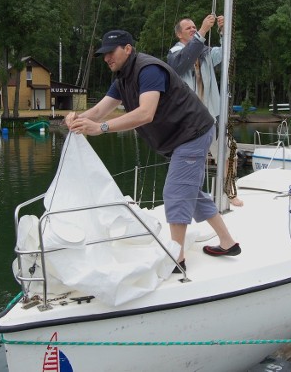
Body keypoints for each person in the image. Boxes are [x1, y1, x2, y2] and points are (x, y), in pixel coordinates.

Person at [65, 29, 241, 273]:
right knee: (190, 190)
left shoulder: (148, 70)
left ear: (127, 49)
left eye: (110, 52)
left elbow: (145, 113)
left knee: (175, 191)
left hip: (192, 133)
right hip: (183, 135)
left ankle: (176, 259)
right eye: (103, 54)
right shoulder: (123, 78)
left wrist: (101, 128)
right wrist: (78, 118)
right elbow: (98, 111)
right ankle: (227, 243)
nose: (106, 58)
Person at [167, 14, 243, 207]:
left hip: (212, 115)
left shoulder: (205, 52)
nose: (193, 29)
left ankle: (229, 192)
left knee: (227, 153)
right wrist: (202, 32)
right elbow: (182, 63)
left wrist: (223, 32)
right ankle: (193, 198)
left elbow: (226, 55)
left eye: (194, 27)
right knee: (192, 160)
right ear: (179, 35)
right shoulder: (174, 54)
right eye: (189, 28)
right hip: (190, 119)